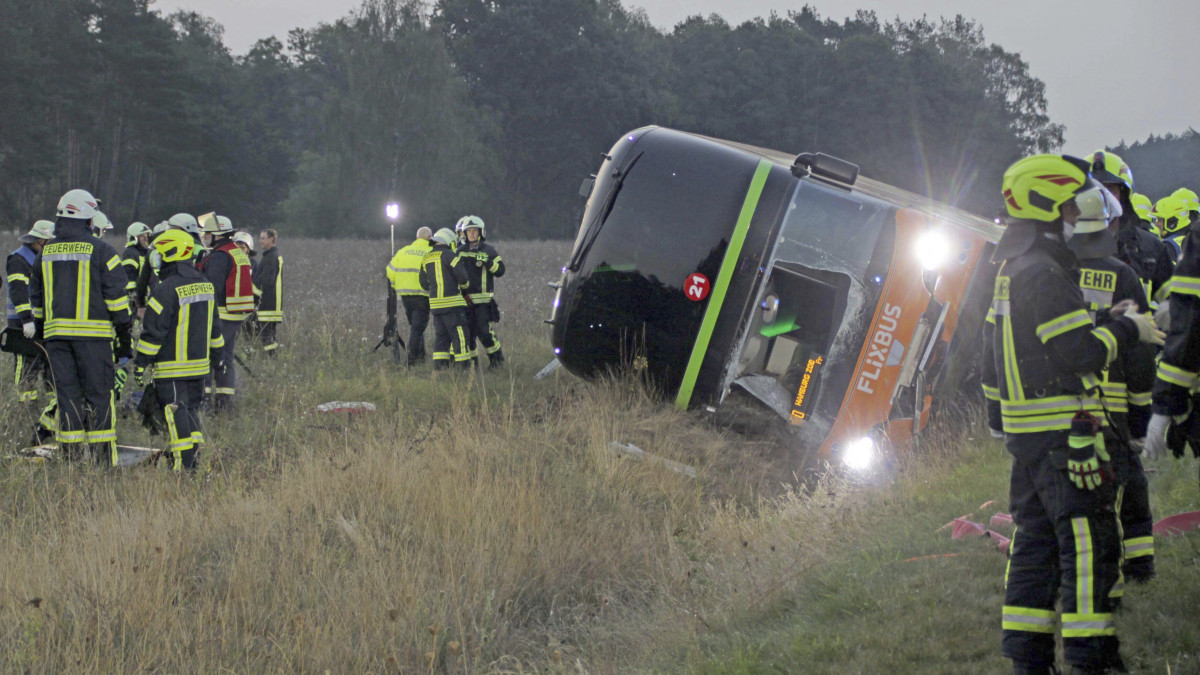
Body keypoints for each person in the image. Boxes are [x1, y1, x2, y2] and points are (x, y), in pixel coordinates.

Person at [984, 155, 1164, 675]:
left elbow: (1042, 339)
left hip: (1031, 436)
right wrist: (1128, 332)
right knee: (1089, 548)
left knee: (1035, 548)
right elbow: (1079, 354)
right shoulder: (1043, 273)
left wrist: (1103, 318)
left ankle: (1028, 661)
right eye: (1071, 206)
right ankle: (1091, 660)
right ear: (1046, 208)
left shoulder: (1016, 268)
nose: (1081, 217)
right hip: (1065, 436)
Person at [1067, 187, 1157, 590]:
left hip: (1058, 407)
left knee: (1066, 492)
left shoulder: (1047, 272)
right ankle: (1137, 569)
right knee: (1128, 487)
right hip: (1112, 408)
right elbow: (1140, 351)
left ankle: (1057, 571)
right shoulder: (1122, 274)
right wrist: (1140, 419)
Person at [30, 189, 133, 464]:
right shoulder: (103, 251)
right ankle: (101, 463)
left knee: (68, 400)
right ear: (89, 219)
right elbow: (117, 300)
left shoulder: (45, 252)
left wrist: (42, 334)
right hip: (94, 340)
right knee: (99, 397)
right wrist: (124, 337)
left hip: (56, 341)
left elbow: (36, 300)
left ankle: (72, 462)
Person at [134, 230, 224, 470]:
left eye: (159, 255)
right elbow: (215, 329)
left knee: (176, 415)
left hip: (171, 369)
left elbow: (153, 334)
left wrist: (140, 364)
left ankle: (183, 468)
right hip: (199, 369)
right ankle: (194, 461)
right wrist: (219, 360)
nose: (157, 260)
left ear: (170, 255)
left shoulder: (165, 290)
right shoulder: (205, 285)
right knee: (191, 412)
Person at [1089, 151, 1174, 307]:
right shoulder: (1065, 248)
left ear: (1124, 195)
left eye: (1109, 190)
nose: (1102, 198)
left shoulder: (1152, 250)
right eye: (1093, 191)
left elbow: (1177, 309)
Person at [196, 213, 255, 411]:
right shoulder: (235, 251)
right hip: (234, 315)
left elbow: (211, 287)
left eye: (208, 233)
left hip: (220, 315)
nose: (205, 237)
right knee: (226, 358)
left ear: (217, 235)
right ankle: (224, 406)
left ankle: (203, 402)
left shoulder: (220, 256)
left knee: (206, 356)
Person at [454, 216, 506, 368]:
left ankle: (497, 361)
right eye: (468, 231)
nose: (471, 234)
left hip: (483, 302)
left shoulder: (489, 250)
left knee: (485, 333)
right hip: (465, 300)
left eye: (474, 230)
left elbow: (500, 271)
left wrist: (488, 262)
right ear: (464, 233)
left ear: (480, 232)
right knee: (468, 334)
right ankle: (472, 365)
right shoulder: (460, 252)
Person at [419, 227, 473, 370]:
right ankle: (464, 368)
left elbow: (423, 283)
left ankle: (440, 368)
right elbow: (463, 278)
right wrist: (465, 287)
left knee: (441, 338)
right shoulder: (451, 256)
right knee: (460, 335)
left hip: (436, 306)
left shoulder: (426, 258)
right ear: (449, 241)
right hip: (453, 305)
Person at [386, 227, 432, 365]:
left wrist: (395, 285)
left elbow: (390, 270)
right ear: (430, 238)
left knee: (415, 326)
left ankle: (421, 357)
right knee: (417, 329)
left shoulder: (403, 251)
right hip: (423, 296)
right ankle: (411, 362)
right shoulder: (430, 252)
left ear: (417, 238)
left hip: (406, 295)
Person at [252, 229, 282, 355]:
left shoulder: (270, 258)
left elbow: (266, 282)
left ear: (272, 239)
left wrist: (254, 295)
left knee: (266, 334)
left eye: (263, 238)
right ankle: (272, 358)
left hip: (268, 303)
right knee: (269, 334)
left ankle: (271, 359)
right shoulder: (271, 256)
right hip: (272, 303)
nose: (260, 241)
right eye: (260, 238)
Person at [121, 222, 153, 314]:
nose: (145, 239)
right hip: (134, 300)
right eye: (142, 236)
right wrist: (134, 297)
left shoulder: (146, 252)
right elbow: (129, 277)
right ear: (134, 238)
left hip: (144, 298)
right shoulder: (130, 253)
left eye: (146, 236)